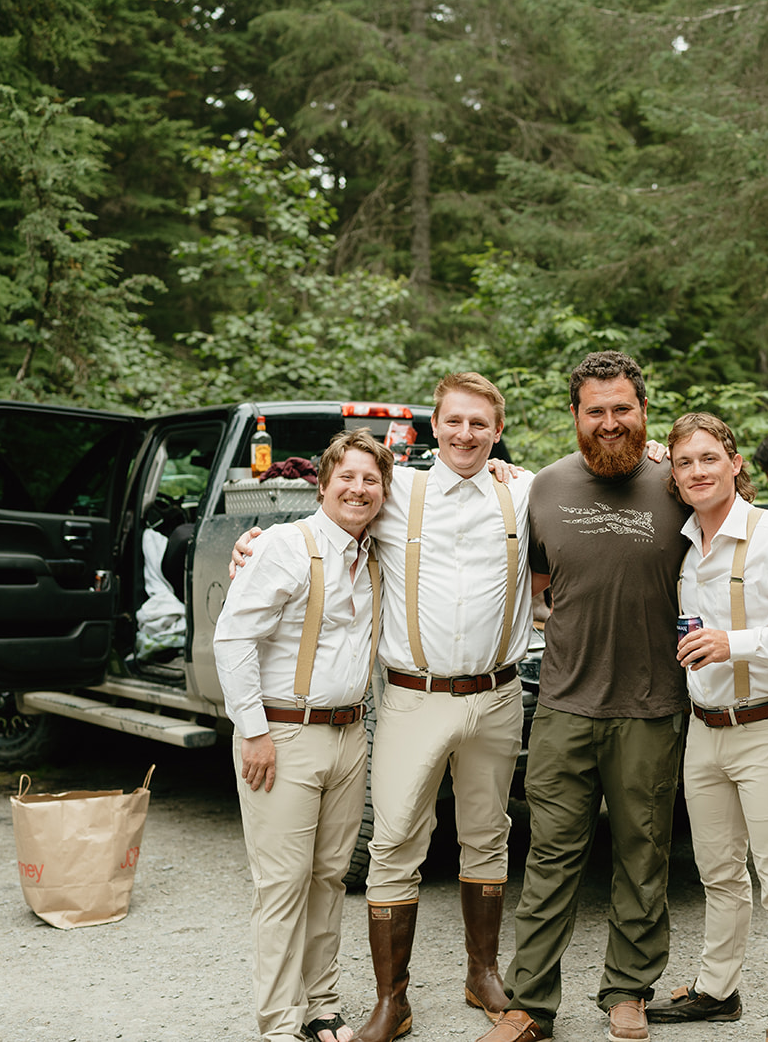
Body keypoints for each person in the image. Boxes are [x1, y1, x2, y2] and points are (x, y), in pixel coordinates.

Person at [231, 373, 535, 1042]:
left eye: (479, 424)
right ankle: (389, 1000)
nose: (465, 434)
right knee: (394, 839)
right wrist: (253, 543)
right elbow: (336, 512)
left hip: (498, 693)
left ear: (497, 428)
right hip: (412, 695)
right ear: (435, 424)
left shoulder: (525, 490)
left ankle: (481, 971)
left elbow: (597, 490)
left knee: (488, 833)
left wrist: (654, 453)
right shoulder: (401, 491)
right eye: (453, 421)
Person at [478, 350, 690, 1042]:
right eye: (594, 410)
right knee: (550, 856)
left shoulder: (678, 483)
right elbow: (540, 585)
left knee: (643, 853)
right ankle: (530, 1004)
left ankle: (628, 992)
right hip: (566, 703)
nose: (609, 422)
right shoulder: (544, 486)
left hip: (652, 705)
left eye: (622, 408)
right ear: (574, 415)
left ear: (644, 411)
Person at [645, 413, 768, 1042]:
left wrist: (739, 643)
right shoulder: (685, 542)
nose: (697, 471)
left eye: (709, 458)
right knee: (718, 872)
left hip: (766, 728)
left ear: (735, 462)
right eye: (683, 463)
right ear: (673, 476)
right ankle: (717, 990)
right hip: (704, 731)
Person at [214, 429, 393, 1042]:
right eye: (347, 477)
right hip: (283, 736)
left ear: (383, 493)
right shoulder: (285, 546)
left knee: (329, 878)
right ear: (322, 483)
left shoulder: (374, 552)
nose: (359, 489)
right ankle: (278, 1023)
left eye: (372, 480)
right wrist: (253, 730)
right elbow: (234, 639)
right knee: (281, 885)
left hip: (348, 735)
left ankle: (321, 1006)